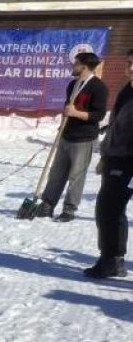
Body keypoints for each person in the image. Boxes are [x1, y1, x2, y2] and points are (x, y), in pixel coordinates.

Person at [41, 52, 109, 222]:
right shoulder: (72, 85)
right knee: (56, 173)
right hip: (66, 135)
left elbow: (98, 115)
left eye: (76, 63)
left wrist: (75, 113)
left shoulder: (99, 87)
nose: (73, 66)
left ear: (84, 66)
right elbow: (67, 107)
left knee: (76, 176)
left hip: (84, 138)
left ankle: (69, 210)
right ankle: (47, 204)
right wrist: (64, 119)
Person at [86, 52, 133, 279]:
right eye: (130, 63)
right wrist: (105, 156)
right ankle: (114, 259)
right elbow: (115, 126)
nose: (131, 68)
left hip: (128, 161)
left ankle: (111, 260)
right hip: (115, 157)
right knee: (111, 210)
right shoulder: (127, 90)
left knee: (109, 209)